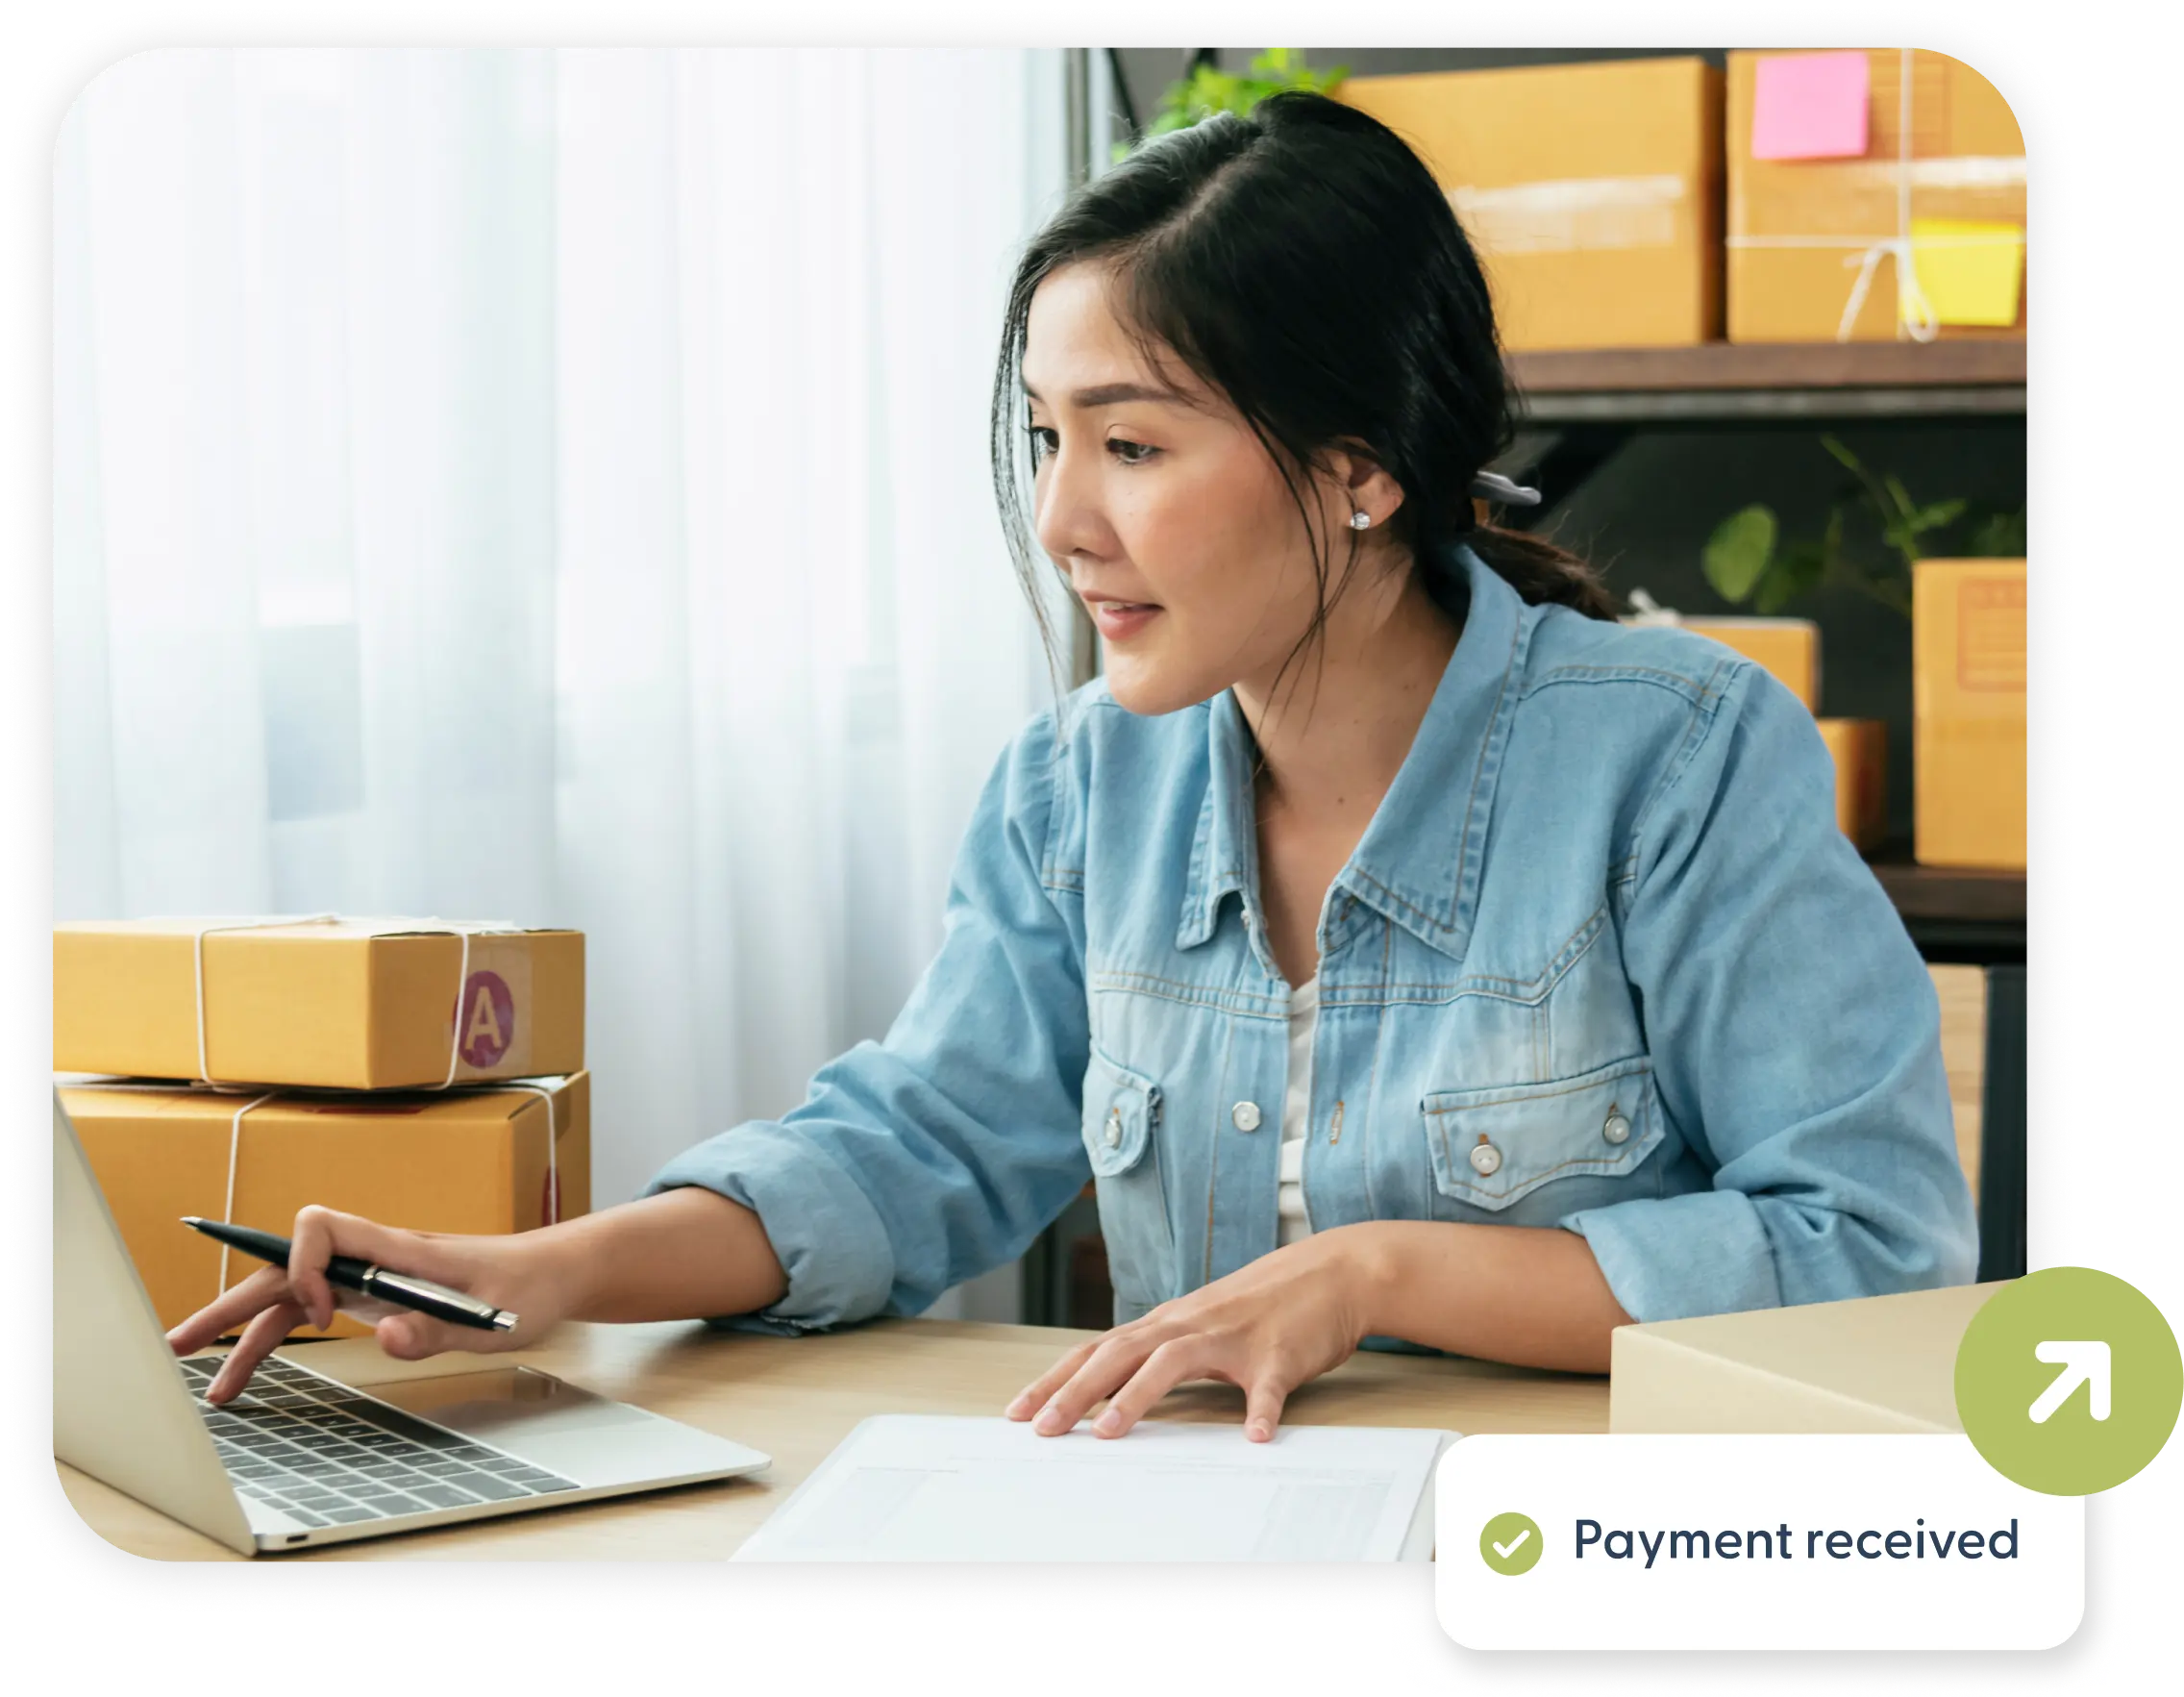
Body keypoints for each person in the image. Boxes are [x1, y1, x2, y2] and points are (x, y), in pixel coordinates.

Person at [169, 92, 1976, 1440]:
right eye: (1046, 437)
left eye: (1130, 442)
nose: (1057, 519)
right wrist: (539, 1275)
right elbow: (911, 1149)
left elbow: (1878, 1251)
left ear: (1359, 468)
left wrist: (1379, 1275)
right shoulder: (1075, 793)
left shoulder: (1675, 756)